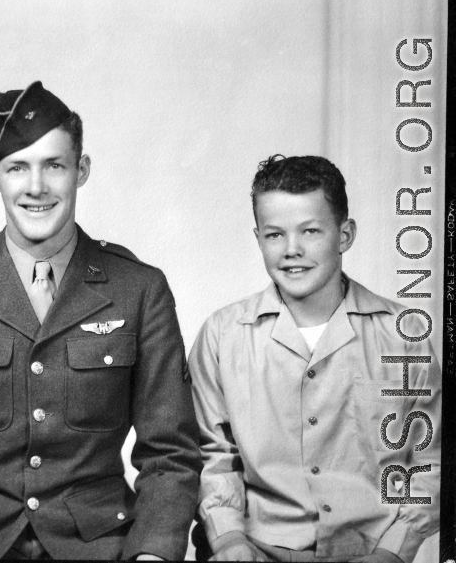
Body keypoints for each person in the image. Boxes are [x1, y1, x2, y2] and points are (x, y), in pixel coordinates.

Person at [0, 81, 201, 560]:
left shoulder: (139, 290)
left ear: (82, 170)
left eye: (54, 165)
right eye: (17, 167)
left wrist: (153, 553)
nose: (36, 187)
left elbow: (170, 456)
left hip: (100, 546)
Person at [189, 155, 441, 562]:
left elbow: (429, 459)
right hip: (255, 550)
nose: (292, 250)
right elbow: (213, 455)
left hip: (371, 552)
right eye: (274, 235)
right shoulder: (222, 336)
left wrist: (393, 552)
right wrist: (229, 540)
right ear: (257, 238)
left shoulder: (405, 335)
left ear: (344, 235)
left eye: (310, 231)